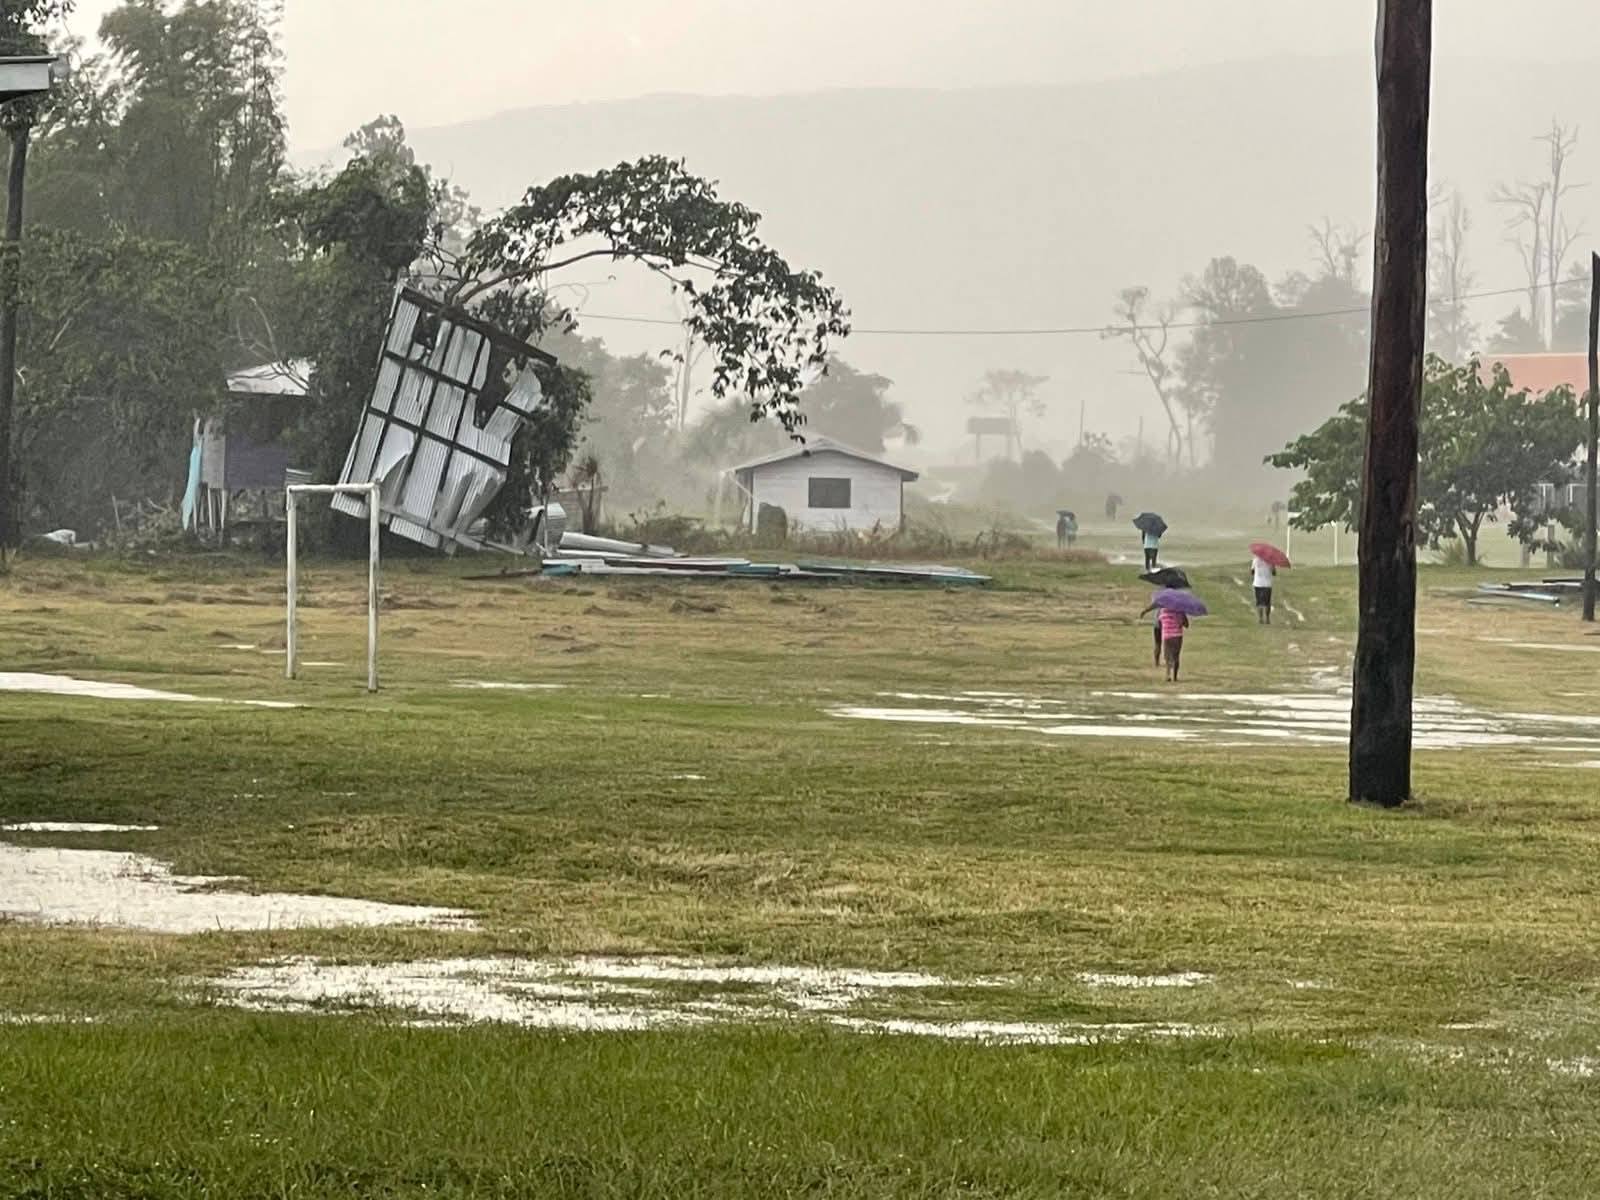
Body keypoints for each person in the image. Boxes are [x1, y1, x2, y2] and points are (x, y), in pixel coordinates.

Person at [1140, 601, 1189, 682]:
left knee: (1167, 656)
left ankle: (1168, 674)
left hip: (1167, 636)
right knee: (1176, 656)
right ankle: (1175, 677)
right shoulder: (1180, 611)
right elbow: (1186, 624)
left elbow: (1159, 623)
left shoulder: (1163, 611)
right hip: (1177, 636)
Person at [1251, 552, 1276, 624]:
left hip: (1258, 583)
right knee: (1267, 602)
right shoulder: (1270, 561)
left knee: (1259, 602)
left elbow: (1252, 571)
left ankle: (1260, 619)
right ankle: (1267, 619)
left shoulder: (1255, 560)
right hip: (1267, 584)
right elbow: (1274, 573)